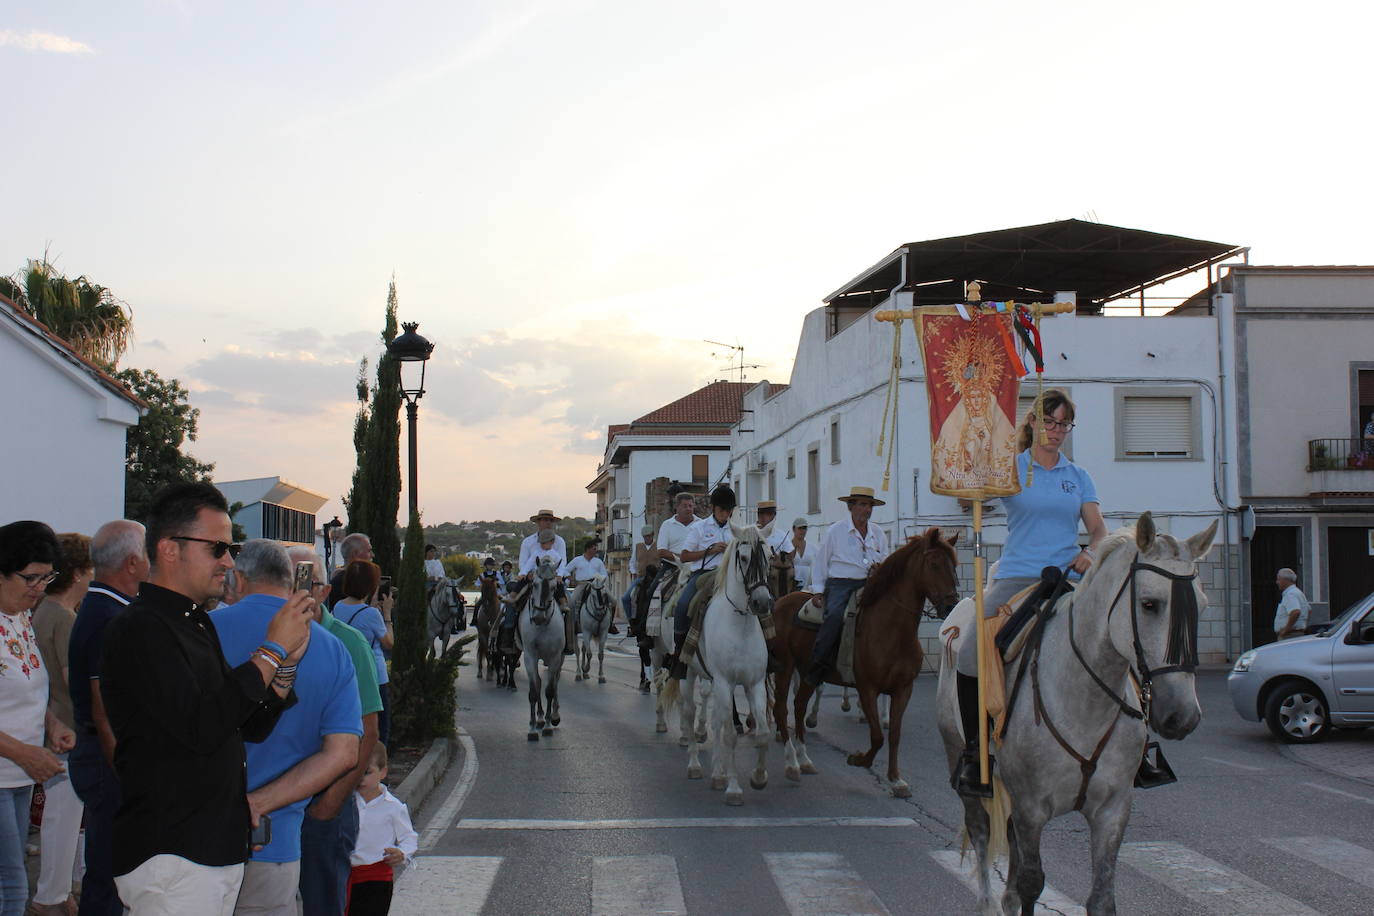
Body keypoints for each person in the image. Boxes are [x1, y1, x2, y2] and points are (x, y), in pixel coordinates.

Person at [100, 482, 313, 915]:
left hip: (209, 848)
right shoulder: (142, 628)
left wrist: (285, 667)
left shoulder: (194, 624)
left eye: (230, 549)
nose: (228, 562)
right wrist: (271, 650)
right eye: (217, 549)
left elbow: (246, 724)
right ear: (170, 549)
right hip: (174, 853)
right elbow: (202, 726)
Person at [952, 389, 1106, 798]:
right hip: (1017, 577)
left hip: (1066, 580)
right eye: (1050, 422)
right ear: (1034, 422)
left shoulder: (1079, 476)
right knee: (970, 652)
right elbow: (970, 497)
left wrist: (1090, 553)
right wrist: (974, 466)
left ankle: (1136, 743)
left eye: (1064, 424)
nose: (1057, 431)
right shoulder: (1012, 468)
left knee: (1117, 635)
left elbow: (1098, 530)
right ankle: (975, 752)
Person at [212, 540, 362, 916]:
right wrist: (259, 803)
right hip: (274, 842)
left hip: (195, 840)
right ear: (289, 581)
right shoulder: (332, 648)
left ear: (238, 579)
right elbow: (344, 753)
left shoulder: (202, 633)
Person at [288, 547, 382, 916]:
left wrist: (330, 805)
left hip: (324, 804)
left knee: (322, 903)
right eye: (286, 582)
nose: (294, 592)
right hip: (276, 803)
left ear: (324, 591)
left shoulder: (349, 641)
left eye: (304, 584)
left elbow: (368, 731)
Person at [67, 519, 148, 916]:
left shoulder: (105, 608)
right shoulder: (109, 616)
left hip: (103, 754)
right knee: (108, 873)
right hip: (107, 758)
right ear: (132, 563)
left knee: (110, 868)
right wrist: (126, 769)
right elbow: (104, 708)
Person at [0, 521, 75, 916]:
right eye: (30, 577)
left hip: (17, 776)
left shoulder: (20, 617)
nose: (39, 588)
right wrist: (25, 753)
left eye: (47, 577)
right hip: (7, 770)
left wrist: (51, 723)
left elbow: (25, 686)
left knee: (11, 883)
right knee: (10, 887)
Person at [31, 532, 92, 916]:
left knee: (60, 820)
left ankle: (60, 892)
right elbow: (76, 683)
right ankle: (52, 896)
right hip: (67, 730)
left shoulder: (42, 612)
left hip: (48, 728)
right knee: (64, 821)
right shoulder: (65, 619)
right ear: (80, 573)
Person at [804, 486, 892, 687]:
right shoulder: (835, 531)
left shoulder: (878, 533)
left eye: (870, 506)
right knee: (834, 616)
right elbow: (821, 561)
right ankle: (818, 665)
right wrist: (818, 590)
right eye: (863, 504)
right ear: (851, 507)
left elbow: (886, 560)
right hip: (841, 584)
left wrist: (880, 569)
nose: (867, 509)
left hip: (870, 583)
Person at [667, 485, 737, 678]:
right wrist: (710, 550)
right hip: (703, 574)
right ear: (713, 508)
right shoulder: (699, 528)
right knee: (683, 604)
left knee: (760, 598)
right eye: (722, 510)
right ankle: (679, 652)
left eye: (729, 510)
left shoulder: (736, 529)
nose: (725, 514)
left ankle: (768, 648)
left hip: (730, 575)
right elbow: (685, 556)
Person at [346, 744, 416, 916]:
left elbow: (409, 837)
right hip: (345, 874)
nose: (360, 778)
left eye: (367, 772)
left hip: (377, 876)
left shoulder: (393, 806)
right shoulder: (345, 802)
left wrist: (402, 853)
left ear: (383, 772)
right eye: (355, 771)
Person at [334, 562, 393, 747]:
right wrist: (387, 614)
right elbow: (388, 642)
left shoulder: (337, 607)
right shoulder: (372, 614)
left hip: (348, 672)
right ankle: (377, 760)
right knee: (380, 726)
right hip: (374, 674)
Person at [507, 529, 571, 652]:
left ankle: (563, 604)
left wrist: (560, 575)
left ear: (552, 542)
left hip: (551, 577)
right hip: (535, 577)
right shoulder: (535, 551)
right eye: (541, 542)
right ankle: (513, 598)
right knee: (520, 583)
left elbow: (561, 564)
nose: (542, 545)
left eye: (545, 542)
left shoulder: (555, 553)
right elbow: (528, 563)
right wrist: (523, 573)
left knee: (559, 587)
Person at [566, 538, 613, 642]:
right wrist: (571, 578)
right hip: (582, 584)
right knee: (571, 602)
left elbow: (604, 574)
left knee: (613, 600)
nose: (596, 550)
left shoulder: (598, 561)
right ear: (588, 549)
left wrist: (599, 579)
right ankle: (573, 624)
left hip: (596, 584)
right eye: (594, 548)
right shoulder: (577, 560)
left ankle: (610, 624)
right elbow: (566, 570)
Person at [328, 534, 374, 610]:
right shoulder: (347, 582)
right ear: (355, 554)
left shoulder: (343, 579)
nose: (372, 555)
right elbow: (354, 613)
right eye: (369, 551)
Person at [1273, 568, 1311, 640]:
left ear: (1285, 580)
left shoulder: (1290, 594)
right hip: (1296, 633)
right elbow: (1309, 610)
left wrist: (1285, 630)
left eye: (1279, 579)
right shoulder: (1298, 592)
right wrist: (1302, 625)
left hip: (1290, 635)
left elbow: (1295, 612)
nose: (1277, 582)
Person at [787, 519, 812, 591]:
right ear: (793, 529)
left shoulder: (813, 548)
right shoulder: (787, 547)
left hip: (808, 587)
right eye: (800, 528)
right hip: (791, 586)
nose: (802, 531)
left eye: (804, 528)